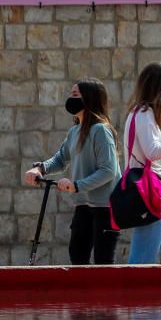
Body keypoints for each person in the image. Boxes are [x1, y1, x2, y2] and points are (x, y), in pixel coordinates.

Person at [24, 78, 121, 265]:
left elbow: (109, 170)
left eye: (75, 94)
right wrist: (40, 168)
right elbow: (61, 159)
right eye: (71, 94)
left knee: (103, 261)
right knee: (77, 255)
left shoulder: (101, 130)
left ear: (90, 98)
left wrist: (76, 186)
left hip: (104, 207)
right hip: (83, 204)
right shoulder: (75, 131)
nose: (71, 98)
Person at [122, 62, 161, 264]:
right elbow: (153, 152)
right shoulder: (144, 114)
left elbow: (160, 155)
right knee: (144, 256)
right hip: (149, 194)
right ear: (158, 87)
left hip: (151, 192)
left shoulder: (141, 114)